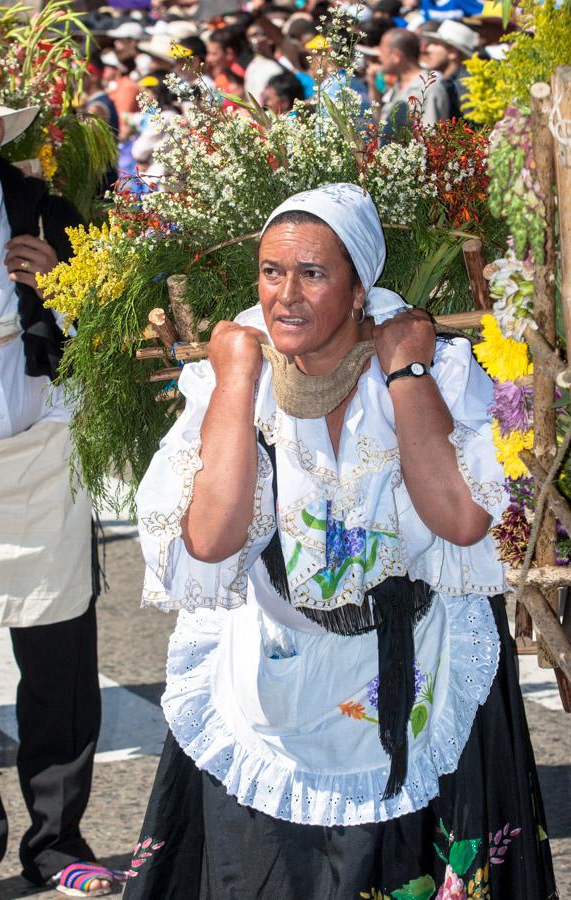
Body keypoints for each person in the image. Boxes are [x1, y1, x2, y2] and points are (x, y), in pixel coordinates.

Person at [125, 182, 558, 899]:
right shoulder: (230, 378)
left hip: (417, 666)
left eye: (313, 273)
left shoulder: (435, 367)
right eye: (271, 272)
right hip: (270, 684)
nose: (285, 296)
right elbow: (207, 538)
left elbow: (461, 520)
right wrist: (235, 382)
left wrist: (406, 370)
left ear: (360, 290)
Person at [0, 57, 113, 898]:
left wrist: (64, 289)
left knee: (59, 657)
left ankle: (58, 845)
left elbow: (113, 323)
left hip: (43, 455)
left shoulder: (47, 215)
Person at [379, 28, 450, 128]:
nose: (379, 58)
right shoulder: (398, 85)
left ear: (396, 56)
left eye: (382, 52)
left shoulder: (428, 89)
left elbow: (429, 138)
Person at [423, 20, 479, 119]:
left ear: (453, 52)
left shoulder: (464, 87)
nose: (428, 49)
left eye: (436, 44)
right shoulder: (454, 82)